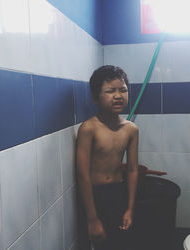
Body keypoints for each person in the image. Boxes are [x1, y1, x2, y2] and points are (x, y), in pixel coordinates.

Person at [76, 65, 139, 250]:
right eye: (110, 91)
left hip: (119, 192)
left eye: (123, 90)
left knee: (119, 244)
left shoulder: (131, 130)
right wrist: (92, 218)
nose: (118, 96)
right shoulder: (89, 128)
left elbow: (133, 169)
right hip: (94, 196)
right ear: (96, 97)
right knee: (97, 243)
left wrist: (129, 209)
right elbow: (82, 175)